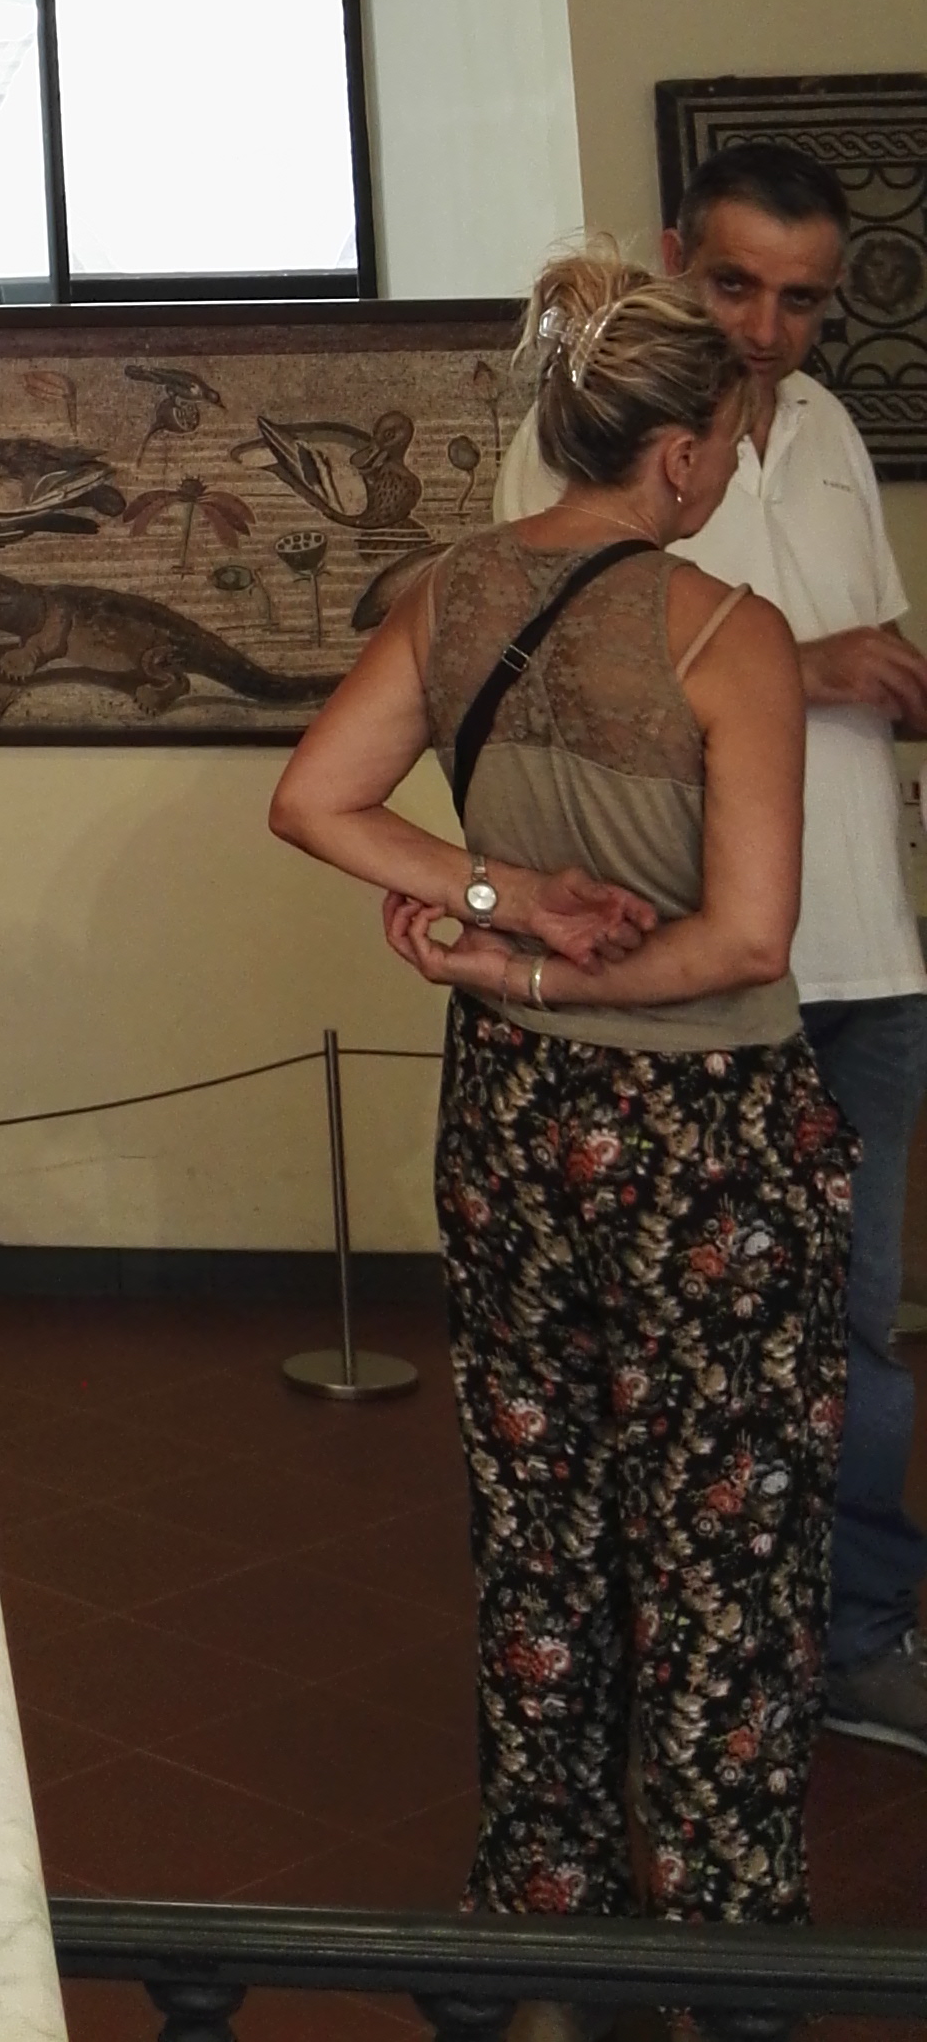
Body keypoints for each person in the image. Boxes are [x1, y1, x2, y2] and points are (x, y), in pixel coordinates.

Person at [272, 249, 850, 1923]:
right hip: (708, 1148)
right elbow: (745, 939)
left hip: (513, 1124)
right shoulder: (730, 635)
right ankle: (719, 1941)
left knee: (543, 1524)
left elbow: (315, 800)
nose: (726, 466)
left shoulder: (453, 595)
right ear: (678, 453)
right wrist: (530, 951)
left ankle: (548, 1911)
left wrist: (496, 902)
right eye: (726, 440)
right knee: (723, 1550)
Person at [498, 140, 927, 1753]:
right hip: (691, 971)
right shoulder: (584, 433)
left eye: (802, 300)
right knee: (671, 1341)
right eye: (736, 284)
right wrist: (802, 667)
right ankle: (678, 1660)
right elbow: (548, 665)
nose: (766, 329)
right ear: (677, 255)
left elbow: (864, 656)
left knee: (858, 1335)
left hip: (867, 963)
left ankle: (856, 1637)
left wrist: (884, 677)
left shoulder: (829, 430)